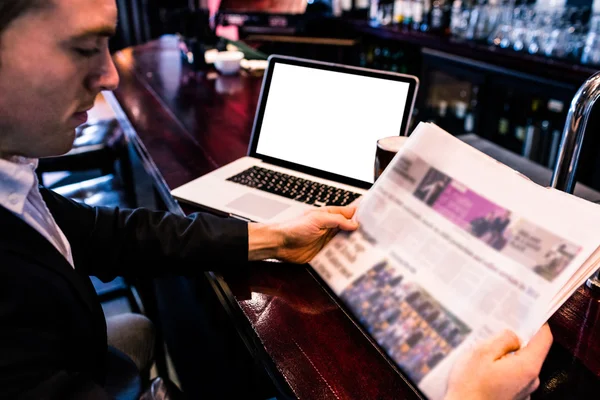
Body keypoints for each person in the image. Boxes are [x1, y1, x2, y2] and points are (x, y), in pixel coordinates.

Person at [0, 1, 552, 399]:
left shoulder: (13, 180)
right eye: (83, 47)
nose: (110, 74)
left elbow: (99, 232)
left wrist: (272, 236)